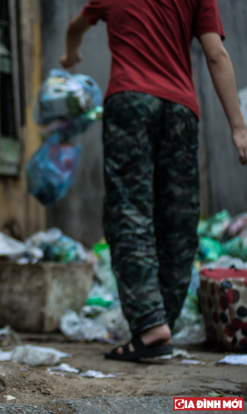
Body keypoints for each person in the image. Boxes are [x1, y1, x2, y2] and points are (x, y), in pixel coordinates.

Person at [61, 0, 247, 361]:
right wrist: (238, 127)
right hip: (180, 110)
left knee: (129, 211)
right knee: (178, 219)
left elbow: (75, 28)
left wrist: (71, 57)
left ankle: (150, 326)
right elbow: (216, 55)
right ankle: (164, 323)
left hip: (129, 102)